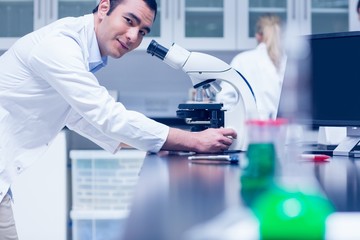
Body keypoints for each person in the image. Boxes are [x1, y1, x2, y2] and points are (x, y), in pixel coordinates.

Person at [0, 0, 237, 238]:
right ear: (104, 7)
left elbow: (79, 116)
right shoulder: (60, 45)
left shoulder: (81, 50)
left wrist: (159, 142)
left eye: (142, 31)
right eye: (129, 21)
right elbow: (105, 115)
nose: (133, 36)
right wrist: (192, 141)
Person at [217, 14, 286, 119]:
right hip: (283, 130)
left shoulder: (242, 60)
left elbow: (223, 99)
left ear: (258, 36)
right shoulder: (288, 61)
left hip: (251, 129)